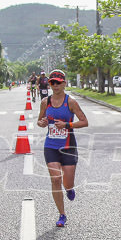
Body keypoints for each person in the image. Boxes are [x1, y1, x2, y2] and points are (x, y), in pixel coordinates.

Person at [36, 69, 88, 227]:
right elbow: (39, 120)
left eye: (58, 82)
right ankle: (62, 214)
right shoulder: (46, 102)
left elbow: (84, 121)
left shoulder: (70, 102)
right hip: (50, 145)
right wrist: (42, 123)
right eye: (52, 82)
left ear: (64, 83)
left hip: (68, 146)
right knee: (55, 179)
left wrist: (67, 124)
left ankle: (69, 189)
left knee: (68, 182)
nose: (55, 85)